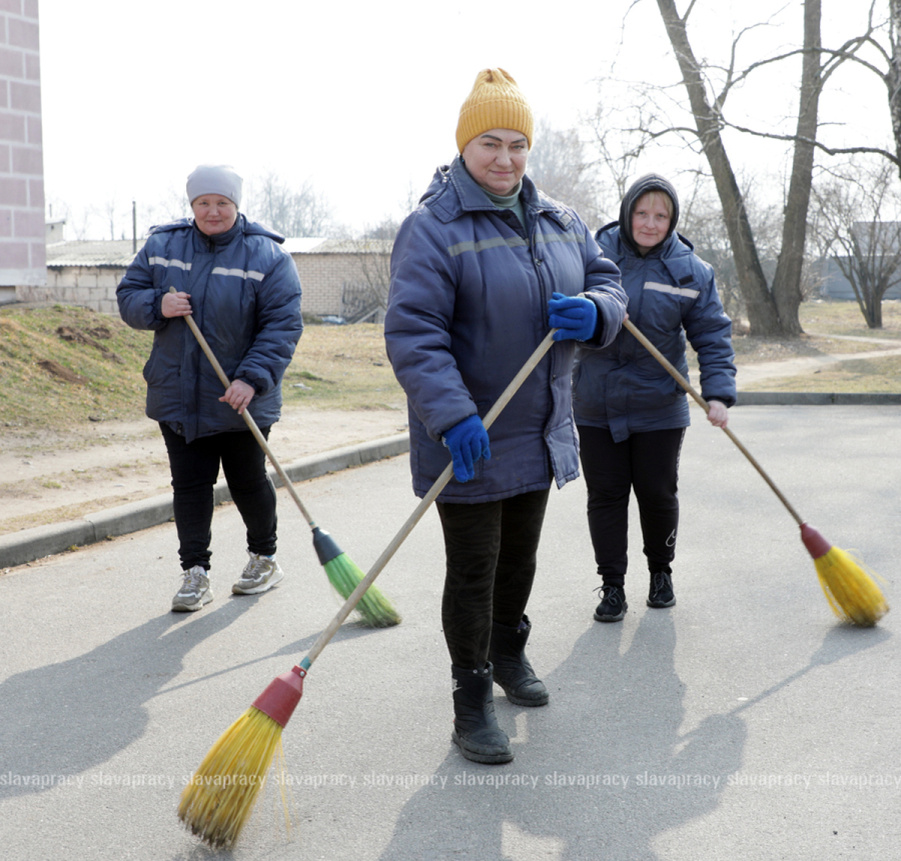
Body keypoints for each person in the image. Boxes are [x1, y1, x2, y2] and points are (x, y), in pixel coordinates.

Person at [385, 69, 626, 765]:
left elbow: (607, 277)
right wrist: (452, 415)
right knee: (472, 569)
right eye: (489, 142)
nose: (505, 158)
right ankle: (470, 699)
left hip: (538, 429)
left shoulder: (560, 219)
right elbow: (414, 335)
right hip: (467, 438)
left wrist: (598, 312)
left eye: (517, 143)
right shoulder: (432, 228)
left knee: (518, 559)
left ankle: (508, 653)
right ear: (464, 145)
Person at [117, 164, 303, 612]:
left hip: (239, 399)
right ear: (192, 205)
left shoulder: (267, 256)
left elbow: (282, 326)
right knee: (190, 486)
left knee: (247, 482)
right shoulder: (162, 244)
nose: (212, 211)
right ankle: (194, 574)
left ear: (237, 205)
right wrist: (156, 304)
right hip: (178, 395)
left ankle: (264, 557)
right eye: (203, 203)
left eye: (222, 203)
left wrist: (251, 379)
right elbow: (129, 297)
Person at [572, 174, 736, 623]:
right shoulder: (592, 256)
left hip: (660, 405)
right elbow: (563, 313)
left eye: (660, 216)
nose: (649, 223)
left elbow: (713, 335)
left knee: (657, 494)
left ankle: (660, 574)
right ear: (627, 213)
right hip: (595, 403)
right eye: (642, 213)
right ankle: (612, 587)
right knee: (605, 497)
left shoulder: (691, 270)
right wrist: (593, 314)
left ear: (672, 220)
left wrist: (718, 392)